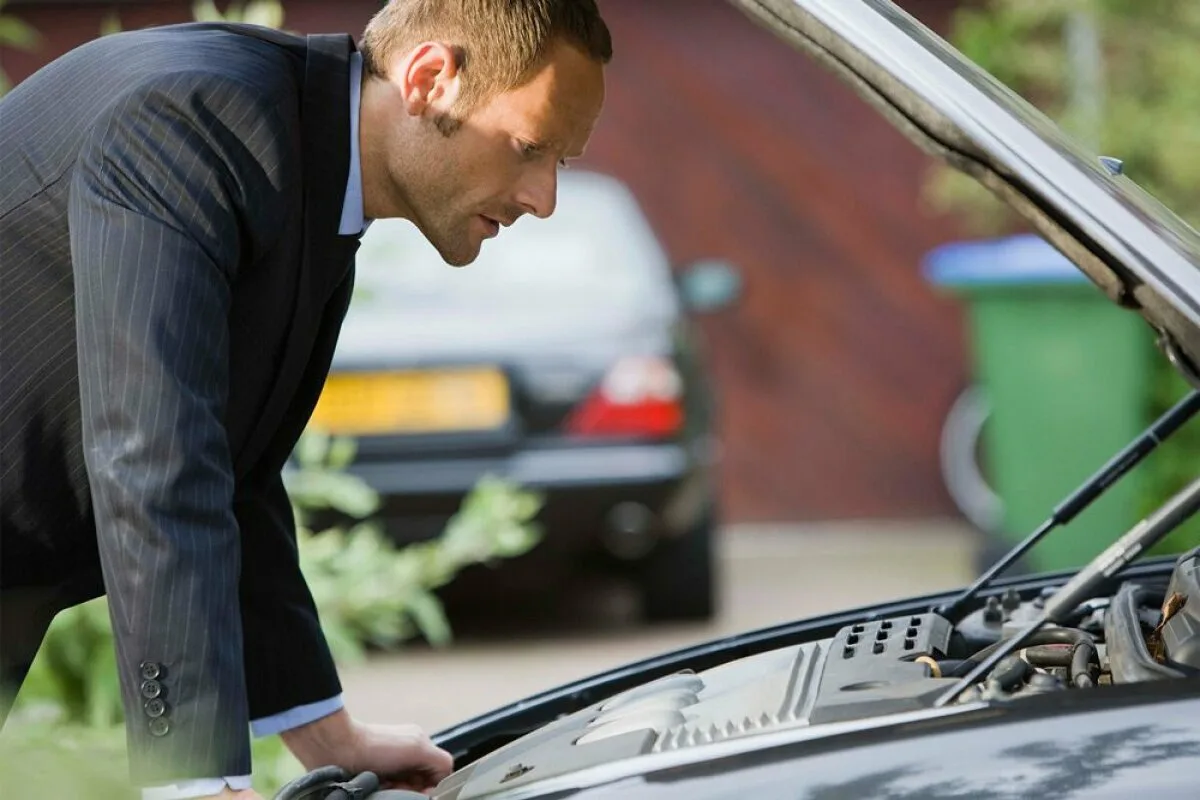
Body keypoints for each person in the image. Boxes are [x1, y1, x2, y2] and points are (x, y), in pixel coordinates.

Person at [0, 0, 611, 797]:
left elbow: (230, 470)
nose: (544, 198)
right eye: (531, 148)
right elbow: (153, 458)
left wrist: (328, 738)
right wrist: (194, 780)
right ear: (430, 80)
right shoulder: (190, 121)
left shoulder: (304, 170)